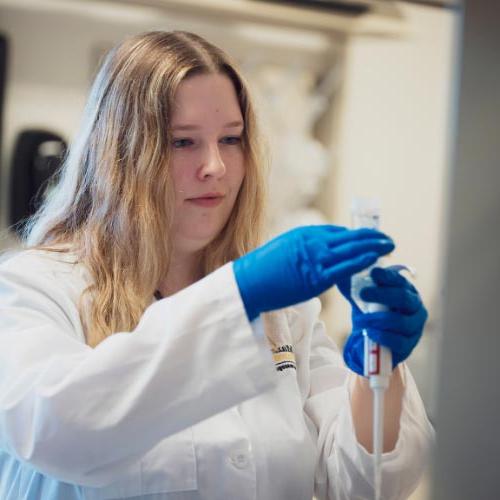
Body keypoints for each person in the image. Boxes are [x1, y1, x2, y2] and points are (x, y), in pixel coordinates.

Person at [0, 31, 433, 500]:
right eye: (183, 142)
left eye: (231, 138)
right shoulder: (34, 289)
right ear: (118, 154)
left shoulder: (285, 313)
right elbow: (56, 430)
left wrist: (378, 371)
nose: (215, 166)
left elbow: (358, 485)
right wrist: (240, 294)